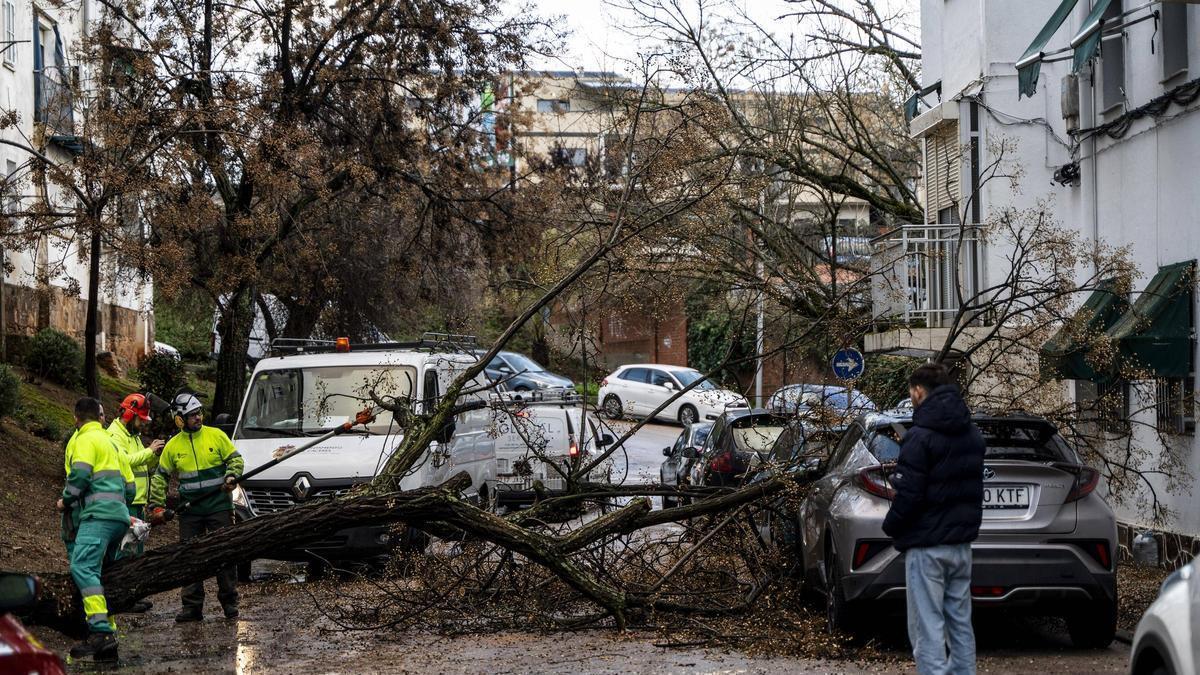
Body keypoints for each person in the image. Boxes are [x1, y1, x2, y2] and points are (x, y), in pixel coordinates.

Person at [882, 363, 985, 675]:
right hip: (960, 546)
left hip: (926, 547)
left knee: (927, 629)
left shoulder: (919, 437)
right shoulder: (972, 434)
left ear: (917, 391)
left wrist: (891, 525)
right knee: (960, 624)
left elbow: (910, 495)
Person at [149, 393, 244, 622]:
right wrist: (156, 506)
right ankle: (191, 607)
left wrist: (232, 476)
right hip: (189, 511)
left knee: (225, 554)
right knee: (189, 557)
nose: (198, 417)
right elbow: (160, 477)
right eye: (192, 415)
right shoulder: (173, 446)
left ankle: (230, 603)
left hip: (218, 507)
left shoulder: (216, 436)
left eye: (199, 413)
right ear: (180, 419)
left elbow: (236, 460)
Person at [57, 397, 134, 662]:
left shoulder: (83, 440)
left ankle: (101, 631)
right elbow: (130, 486)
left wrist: (65, 500)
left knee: (83, 568)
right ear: (99, 417)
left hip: (97, 518)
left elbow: (79, 476)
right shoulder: (110, 441)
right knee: (103, 575)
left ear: (76, 418)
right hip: (118, 518)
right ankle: (108, 640)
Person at [107, 393, 165, 611]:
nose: (143, 424)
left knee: (136, 550)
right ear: (130, 415)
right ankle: (123, 598)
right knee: (125, 550)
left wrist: (154, 453)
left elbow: (140, 462)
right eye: (141, 419)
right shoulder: (114, 435)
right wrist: (148, 451)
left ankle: (133, 596)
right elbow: (126, 461)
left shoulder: (133, 436)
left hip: (138, 501)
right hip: (125, 501)